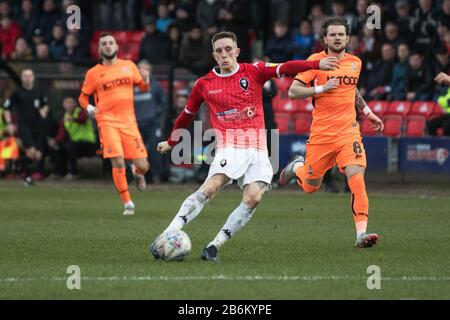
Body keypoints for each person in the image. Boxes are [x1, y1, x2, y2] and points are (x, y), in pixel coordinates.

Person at [151, 31, 339, 261]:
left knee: (253, 198)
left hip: (259, 150)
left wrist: (317, 63)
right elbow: (186, 115)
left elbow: (287, 66)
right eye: (219, 51)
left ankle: (213, 247)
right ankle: (167, 235)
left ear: (237, 51)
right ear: (213, 55)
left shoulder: (254, 71)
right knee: (211, 187)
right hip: (230, 147)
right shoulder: (204, 84)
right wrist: (172, 142)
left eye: (228, 49)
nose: (224, 54)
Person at [279, 17, 384, 249]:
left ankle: (361, 234)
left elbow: (352, 88)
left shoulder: (355, 62)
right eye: (332, 34)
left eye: (341, 34)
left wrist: (368, 112)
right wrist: (321, 88)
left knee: (356, 178)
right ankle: (296, 166)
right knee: (310, 186)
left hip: (349, 133)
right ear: (325, 39)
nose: (337, 38)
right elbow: (293, 92)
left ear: (348, 38)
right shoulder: (315, 61)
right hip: (322, 136)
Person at [78, 32, 150, 216]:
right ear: (99, 49)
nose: (108, 46)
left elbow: (142, 87)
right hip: (107, 121)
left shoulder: (129, 66)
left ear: (117, 47)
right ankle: (127, 203)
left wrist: (146, 80)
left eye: (111, 43)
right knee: (117, 159)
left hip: (129, 122)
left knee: (144, 165)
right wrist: (90, 108)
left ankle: (136, 171)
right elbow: (82, 97)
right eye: (104, 44)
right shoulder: (93, 73)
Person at [3, 68, 49, 185]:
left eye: (29, 76)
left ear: (33, 78)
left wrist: (44, 111)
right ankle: (27, 178)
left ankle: (17, 164)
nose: (27, 78)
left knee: (37, 156)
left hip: (37, 127)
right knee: (31, 153)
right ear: (22, 78)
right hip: (24, 127)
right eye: (25, 76)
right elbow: (7, 108)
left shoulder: (39, 92)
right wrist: (9, 124)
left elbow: (45, 107)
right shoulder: (17, 92)